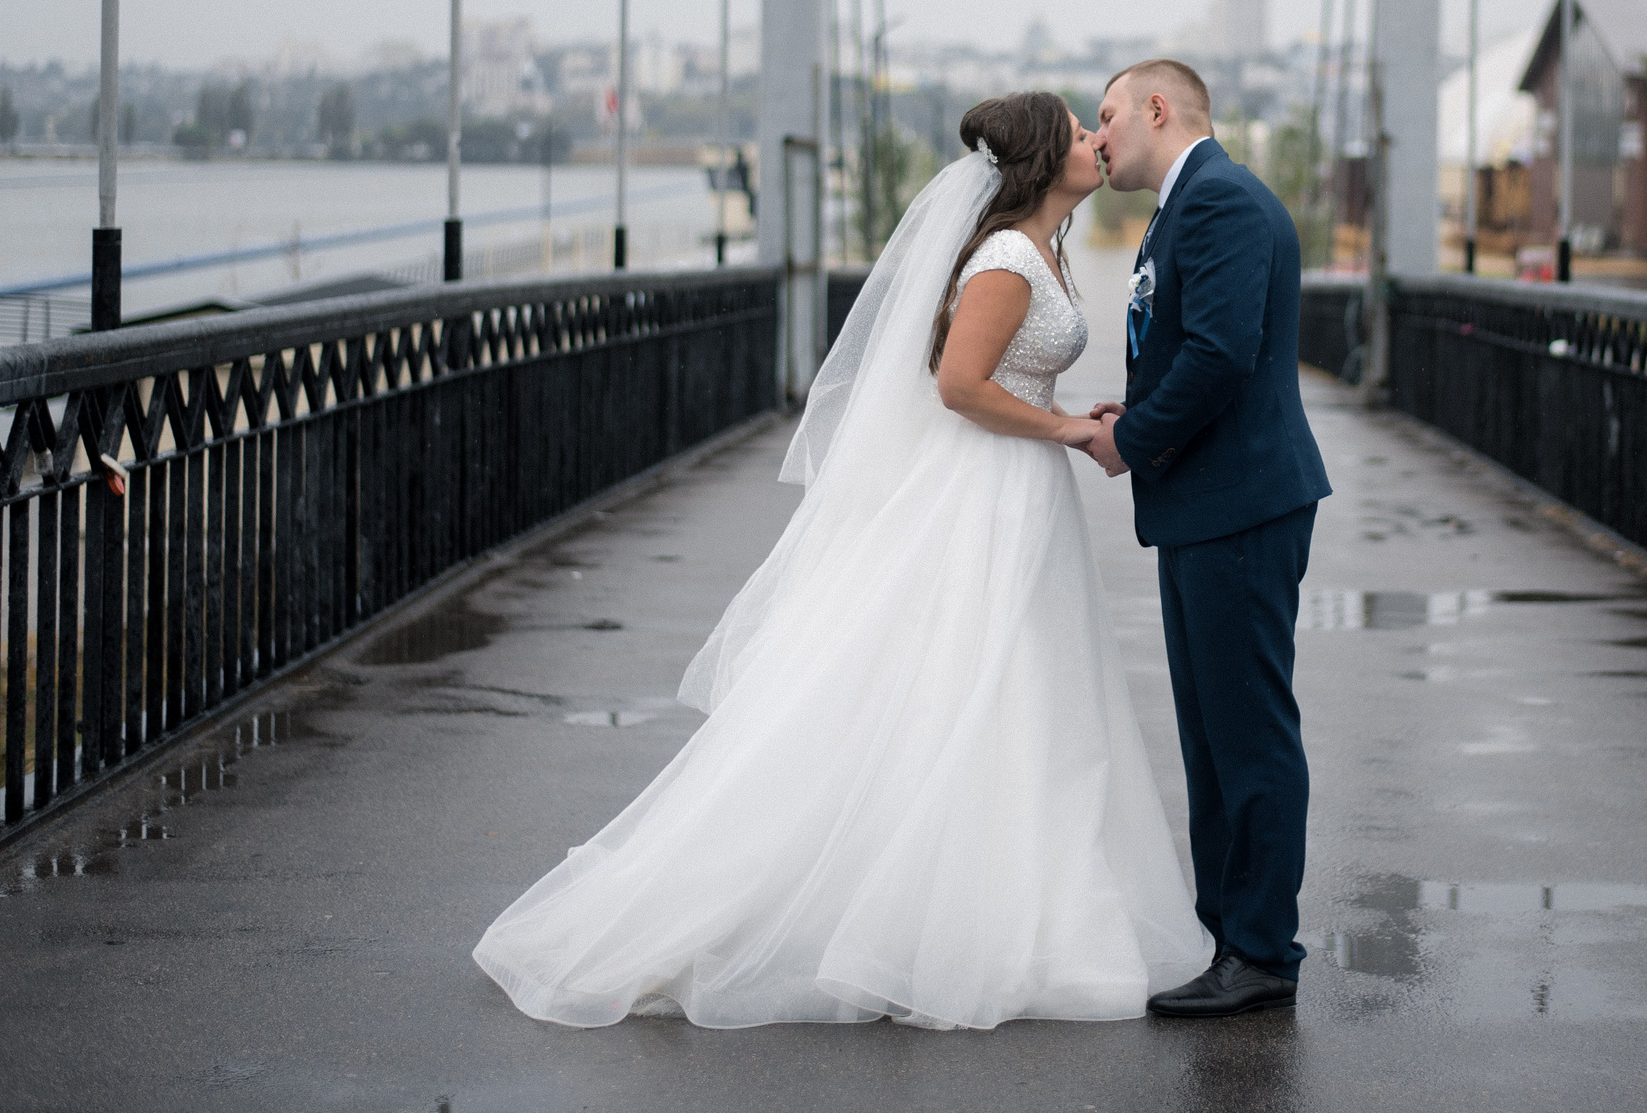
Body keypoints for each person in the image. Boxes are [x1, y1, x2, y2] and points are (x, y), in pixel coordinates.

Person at [474, 91, 1209, 1030]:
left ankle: (996, 905)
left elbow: (1009, 371)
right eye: (1076, 131)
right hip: (981, 493)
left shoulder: (1045, 247)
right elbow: (957, 385)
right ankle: (932, 921)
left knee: (1017, 695)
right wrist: (1067, 426)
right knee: (962, 686)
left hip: (1021, 493)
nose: (1095, 140)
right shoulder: (1008, 254)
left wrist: (1078, 415)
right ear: (1039, 158)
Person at [1082, 58, 1332, 1020]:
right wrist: (1136, 408)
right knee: (1213, 733)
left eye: (1106, 117)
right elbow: (1189, 342)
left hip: (1238, 503)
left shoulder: (1221, 200)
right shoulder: (1188, 203)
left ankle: (1261, 949)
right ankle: (1232, 934)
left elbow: (1223, 355)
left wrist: (1130, 441)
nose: (1097, 137)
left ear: (1157, 106)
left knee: (1248, 731)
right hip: (1209, 500)